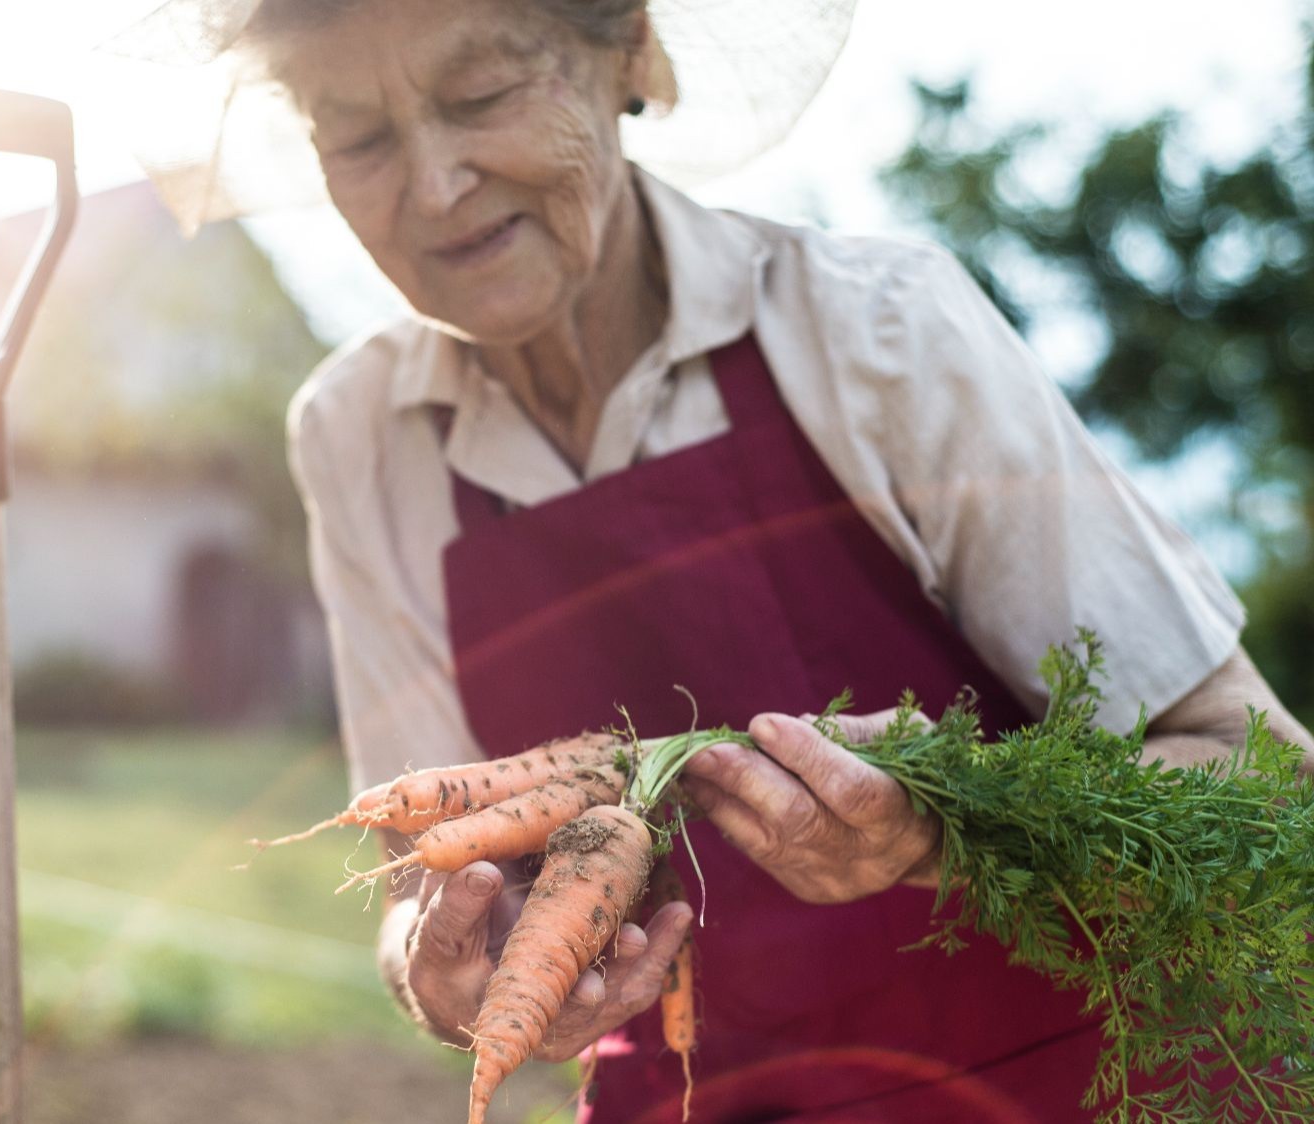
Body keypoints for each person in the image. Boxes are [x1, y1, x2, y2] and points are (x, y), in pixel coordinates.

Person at [122, 0, 1314, 1118]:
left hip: (1081, 1079)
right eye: (359, 136)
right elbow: (412, 886)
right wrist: (446, 972)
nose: (433, 189)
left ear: (629, 51)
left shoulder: (876, 329)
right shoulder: (353, 432)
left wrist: (952, 829)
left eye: (482, 93)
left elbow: (1265, 779)